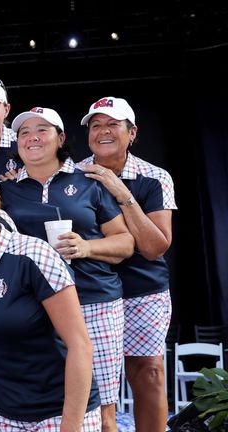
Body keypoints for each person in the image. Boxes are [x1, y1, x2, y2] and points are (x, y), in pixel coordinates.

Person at [0, 107, 135, 431]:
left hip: (94, 301)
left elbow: (126, 243)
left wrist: (87, 247)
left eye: (42, 130)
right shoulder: (5, 191)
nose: (32, 137)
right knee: (53, 406)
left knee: (103, 414)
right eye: (24, 132)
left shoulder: (89, 182)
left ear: (60, 138)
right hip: (35, 308)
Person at [0, 170, 101, 430]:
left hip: (59, 414)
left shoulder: (33, 254)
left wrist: (70, 425)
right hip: (5, 416)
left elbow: (80, 346)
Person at [79, 96, 176, 431]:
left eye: (112, 124)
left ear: (132, 132)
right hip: (90, 292)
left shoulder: (154, 177)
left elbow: (154, 247)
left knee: (146, 370)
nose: (103, 131)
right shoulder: (73, 176)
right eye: (95, 125)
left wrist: (120, 191)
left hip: (142, 290)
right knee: (89, 381)